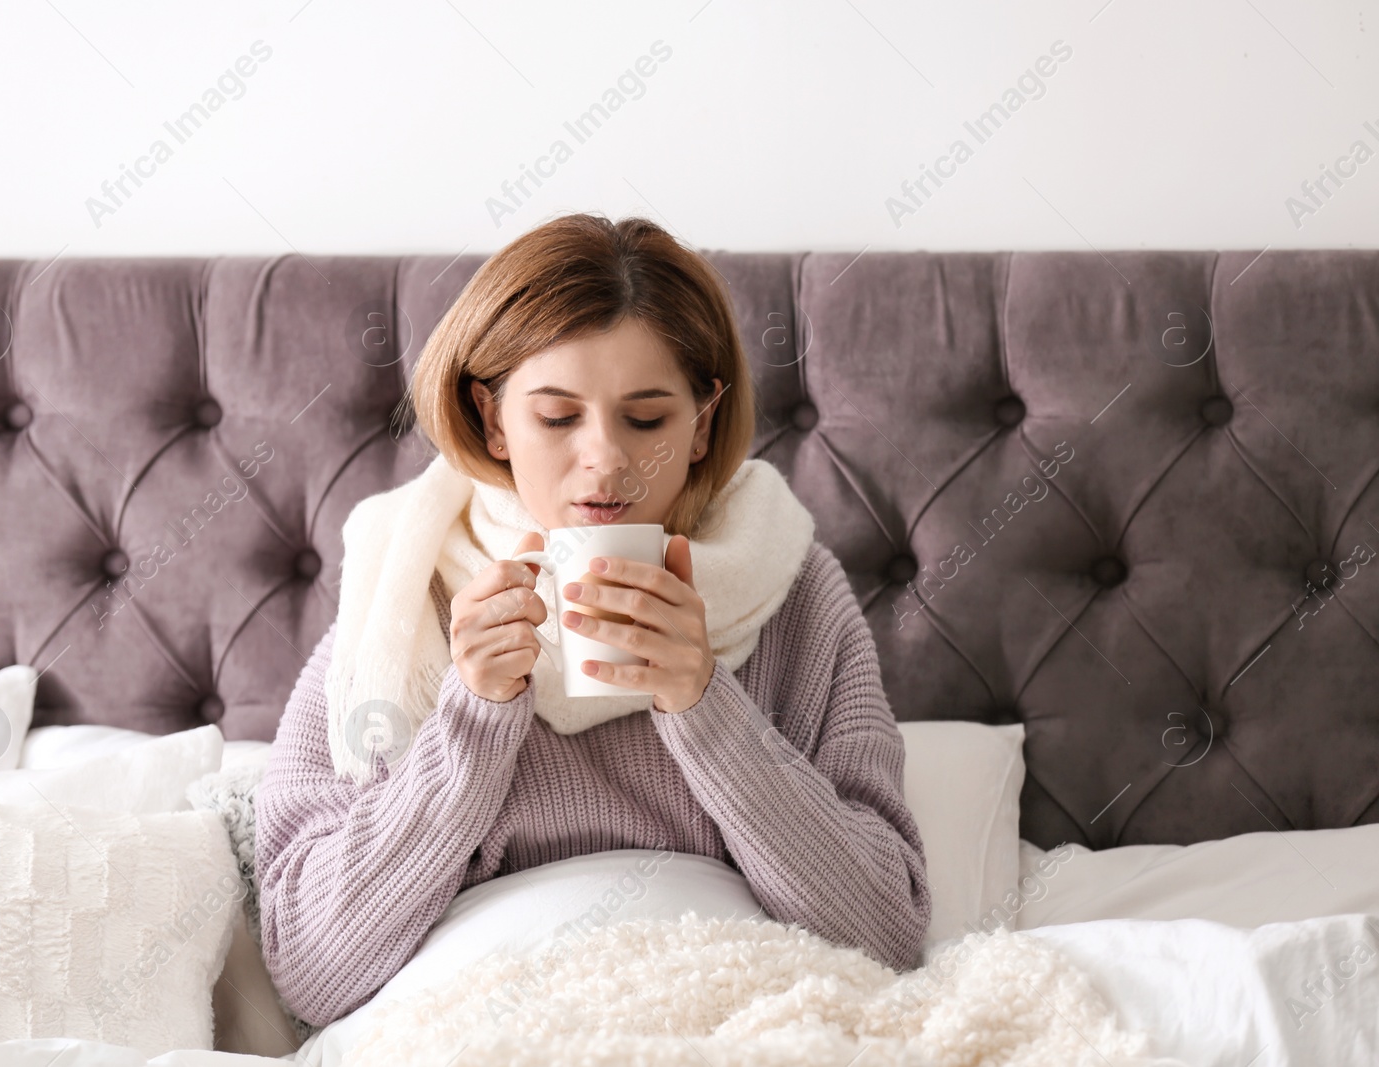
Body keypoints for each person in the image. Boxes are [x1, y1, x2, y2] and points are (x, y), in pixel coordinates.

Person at [254, 212, 932, 1029]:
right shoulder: (405, 595)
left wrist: (704, 705)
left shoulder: (792, 588)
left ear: (702, 423)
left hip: (740, 1016)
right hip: (484, 1022)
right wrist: (472, 718)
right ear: (493, 417)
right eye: (557, 416)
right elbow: (313, 969)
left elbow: (886, 931)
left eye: (647, 419)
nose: (606, 459)